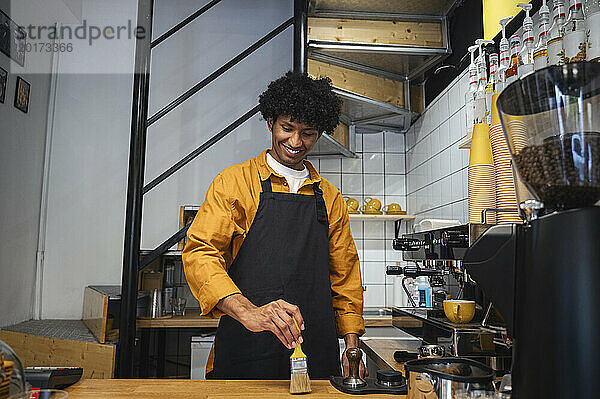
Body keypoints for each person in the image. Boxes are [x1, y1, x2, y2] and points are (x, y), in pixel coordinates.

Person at [182, 71, 366, 380]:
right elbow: (200, 254)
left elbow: (344, 276)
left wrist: (351, 345)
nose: (295, 142)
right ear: (270, 122)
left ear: (319, 133)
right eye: (287, 128)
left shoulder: (330, 197)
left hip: (315, 354)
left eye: (307, 133)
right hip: (245, 349)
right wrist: (248, 312)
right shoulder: (234, 183)